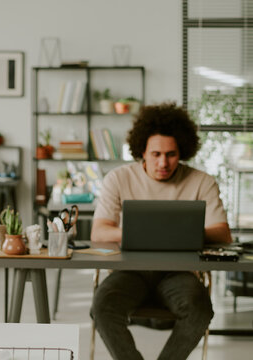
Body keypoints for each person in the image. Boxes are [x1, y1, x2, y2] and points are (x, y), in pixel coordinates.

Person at [90, 103, 232, 360]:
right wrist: (146, 232)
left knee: (200, 309)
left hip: (179, 272)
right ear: (141, 151)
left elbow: (222, 233)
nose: (163, 163)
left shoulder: (201, 181)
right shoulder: (118, 178)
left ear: (183, 152)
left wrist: (177, 233)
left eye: (171, 154)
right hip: (130, 270)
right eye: (155, 154)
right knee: (102, 306)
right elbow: (99, 231)